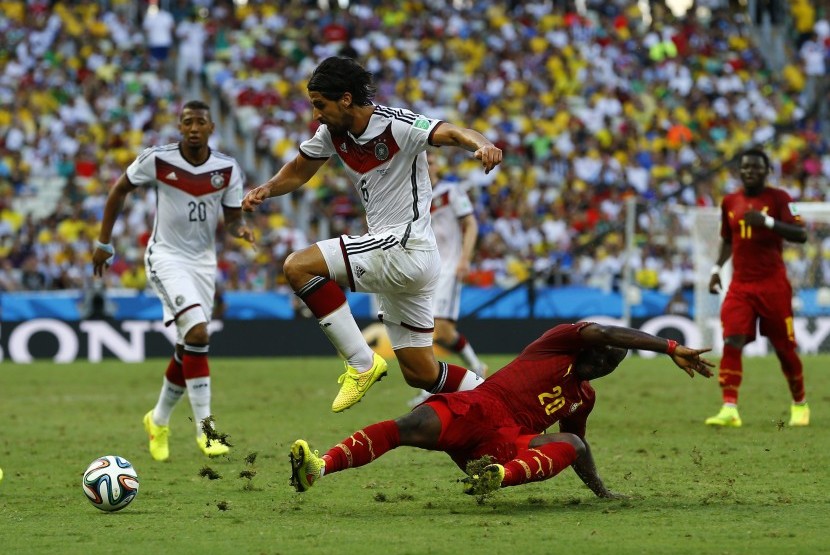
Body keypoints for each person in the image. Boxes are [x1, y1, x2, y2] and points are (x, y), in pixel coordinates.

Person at [242, 56, 503, 413]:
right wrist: (267, 189)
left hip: (404, 246)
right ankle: (504, 402)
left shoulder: (398, 125)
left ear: (346, 99)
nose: (316, 114)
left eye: (320, 105)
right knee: (421, 372)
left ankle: (361, 362)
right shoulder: (332, 133)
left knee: (298, 266)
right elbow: (300, 168)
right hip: (402, 259)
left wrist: (481, 145)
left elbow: (454, 132)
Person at [288, 322, 714, 496]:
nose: (602, 365)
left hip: (507, 443)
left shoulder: (584, 396)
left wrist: (600, 489)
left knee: (571, 443)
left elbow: (577, 444)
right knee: (408, 424)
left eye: (610, 366)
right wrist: (669, 346)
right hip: (478, 407)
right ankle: (319, 467)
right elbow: (604, 331)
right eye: (602, 354)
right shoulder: (560, 340)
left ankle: (495, 477)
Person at [93, 100, 254, 460]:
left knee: (188, 346)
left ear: (212, 128)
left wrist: (240, 229)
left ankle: (158, 419)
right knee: (198, 334)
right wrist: (103, 242)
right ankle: (206, 430)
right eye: (187, 122)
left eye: (201, 122)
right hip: (165, 257)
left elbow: (230, 220)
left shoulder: (226, 169)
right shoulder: (159, 159)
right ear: (179, 128)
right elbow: (119, 189)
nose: (194, 127)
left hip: (202, 264)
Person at [706, 148, 809, 428]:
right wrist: (716, 269)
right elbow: (728, 239)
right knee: (731, 340)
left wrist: (768, 221)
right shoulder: (730, 201)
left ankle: (799, 403)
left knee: (784, 349)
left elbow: (801, 234)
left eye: (756, 167)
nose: (750, 171)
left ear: (767, 171)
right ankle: (729, 407)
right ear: (740, 171)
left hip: (773, 285)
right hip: (741, 285)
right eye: (745, 167)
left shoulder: (781, 199)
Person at [409, 153, 486, 406]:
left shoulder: (451, 191)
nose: (428, 166)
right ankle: (475, 367)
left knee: (437, 329)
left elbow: (471, 224)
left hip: (449, 266)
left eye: (431, 162)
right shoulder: (415, 196)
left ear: (438, 165)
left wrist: (465, 258)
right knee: (441, 332)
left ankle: (431, 387)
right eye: (424, 162)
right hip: (425, 269)